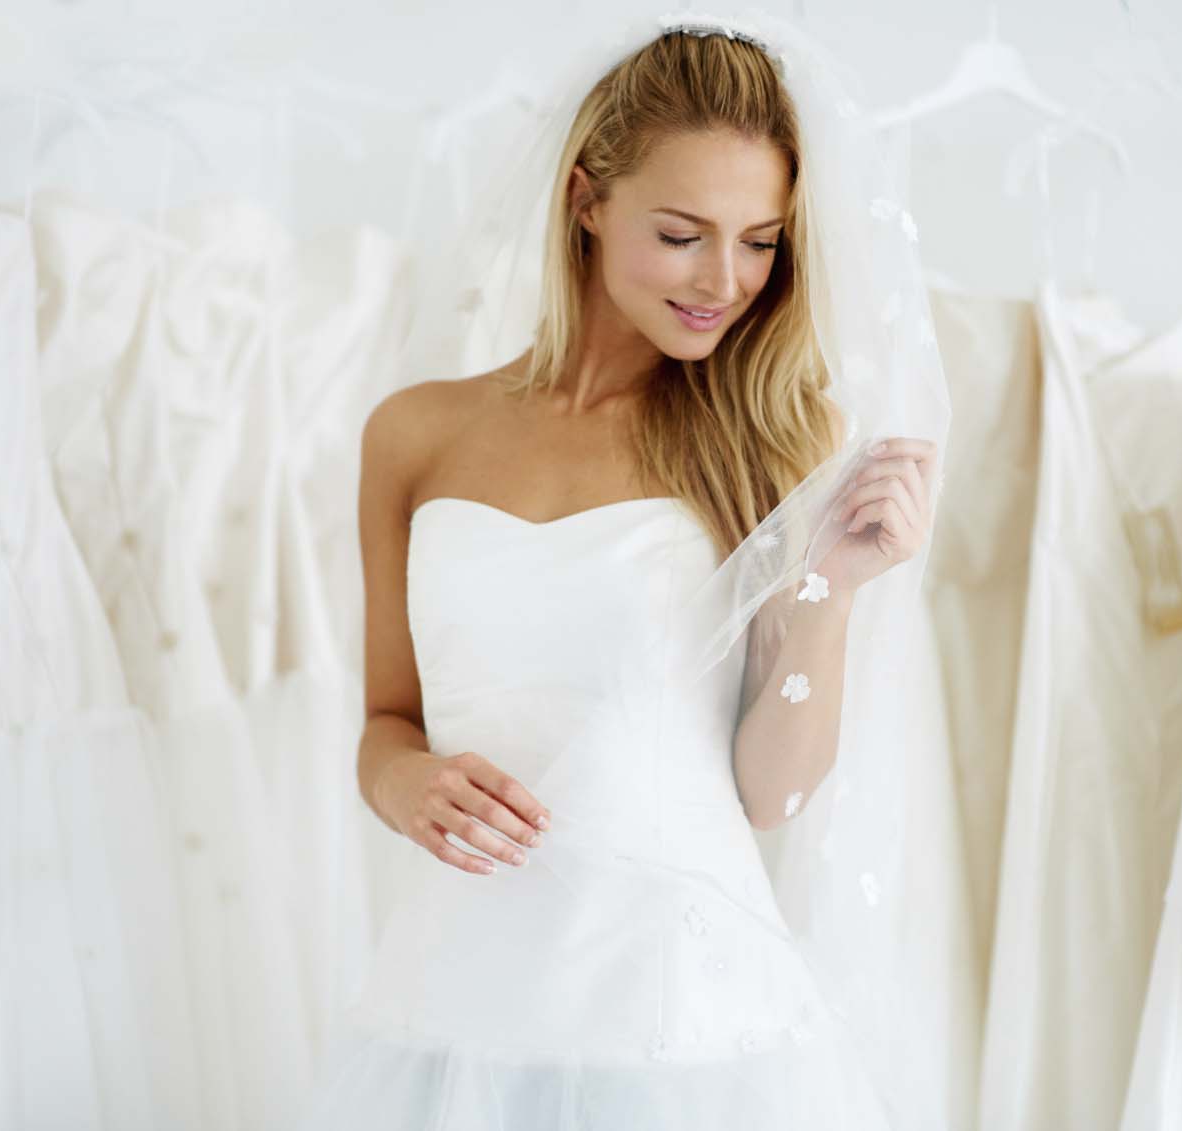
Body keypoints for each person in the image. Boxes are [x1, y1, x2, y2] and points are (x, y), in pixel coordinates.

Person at [299, 12, 951, 1128]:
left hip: (683, 1021)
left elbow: (772, 797)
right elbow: (386, 720)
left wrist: (828, 589)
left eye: (760, 240)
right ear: (585, 200)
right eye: (684, 232)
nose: (727, 279)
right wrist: (404, 783)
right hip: (461, 994)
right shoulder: (412, 434)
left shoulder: (776, 441)